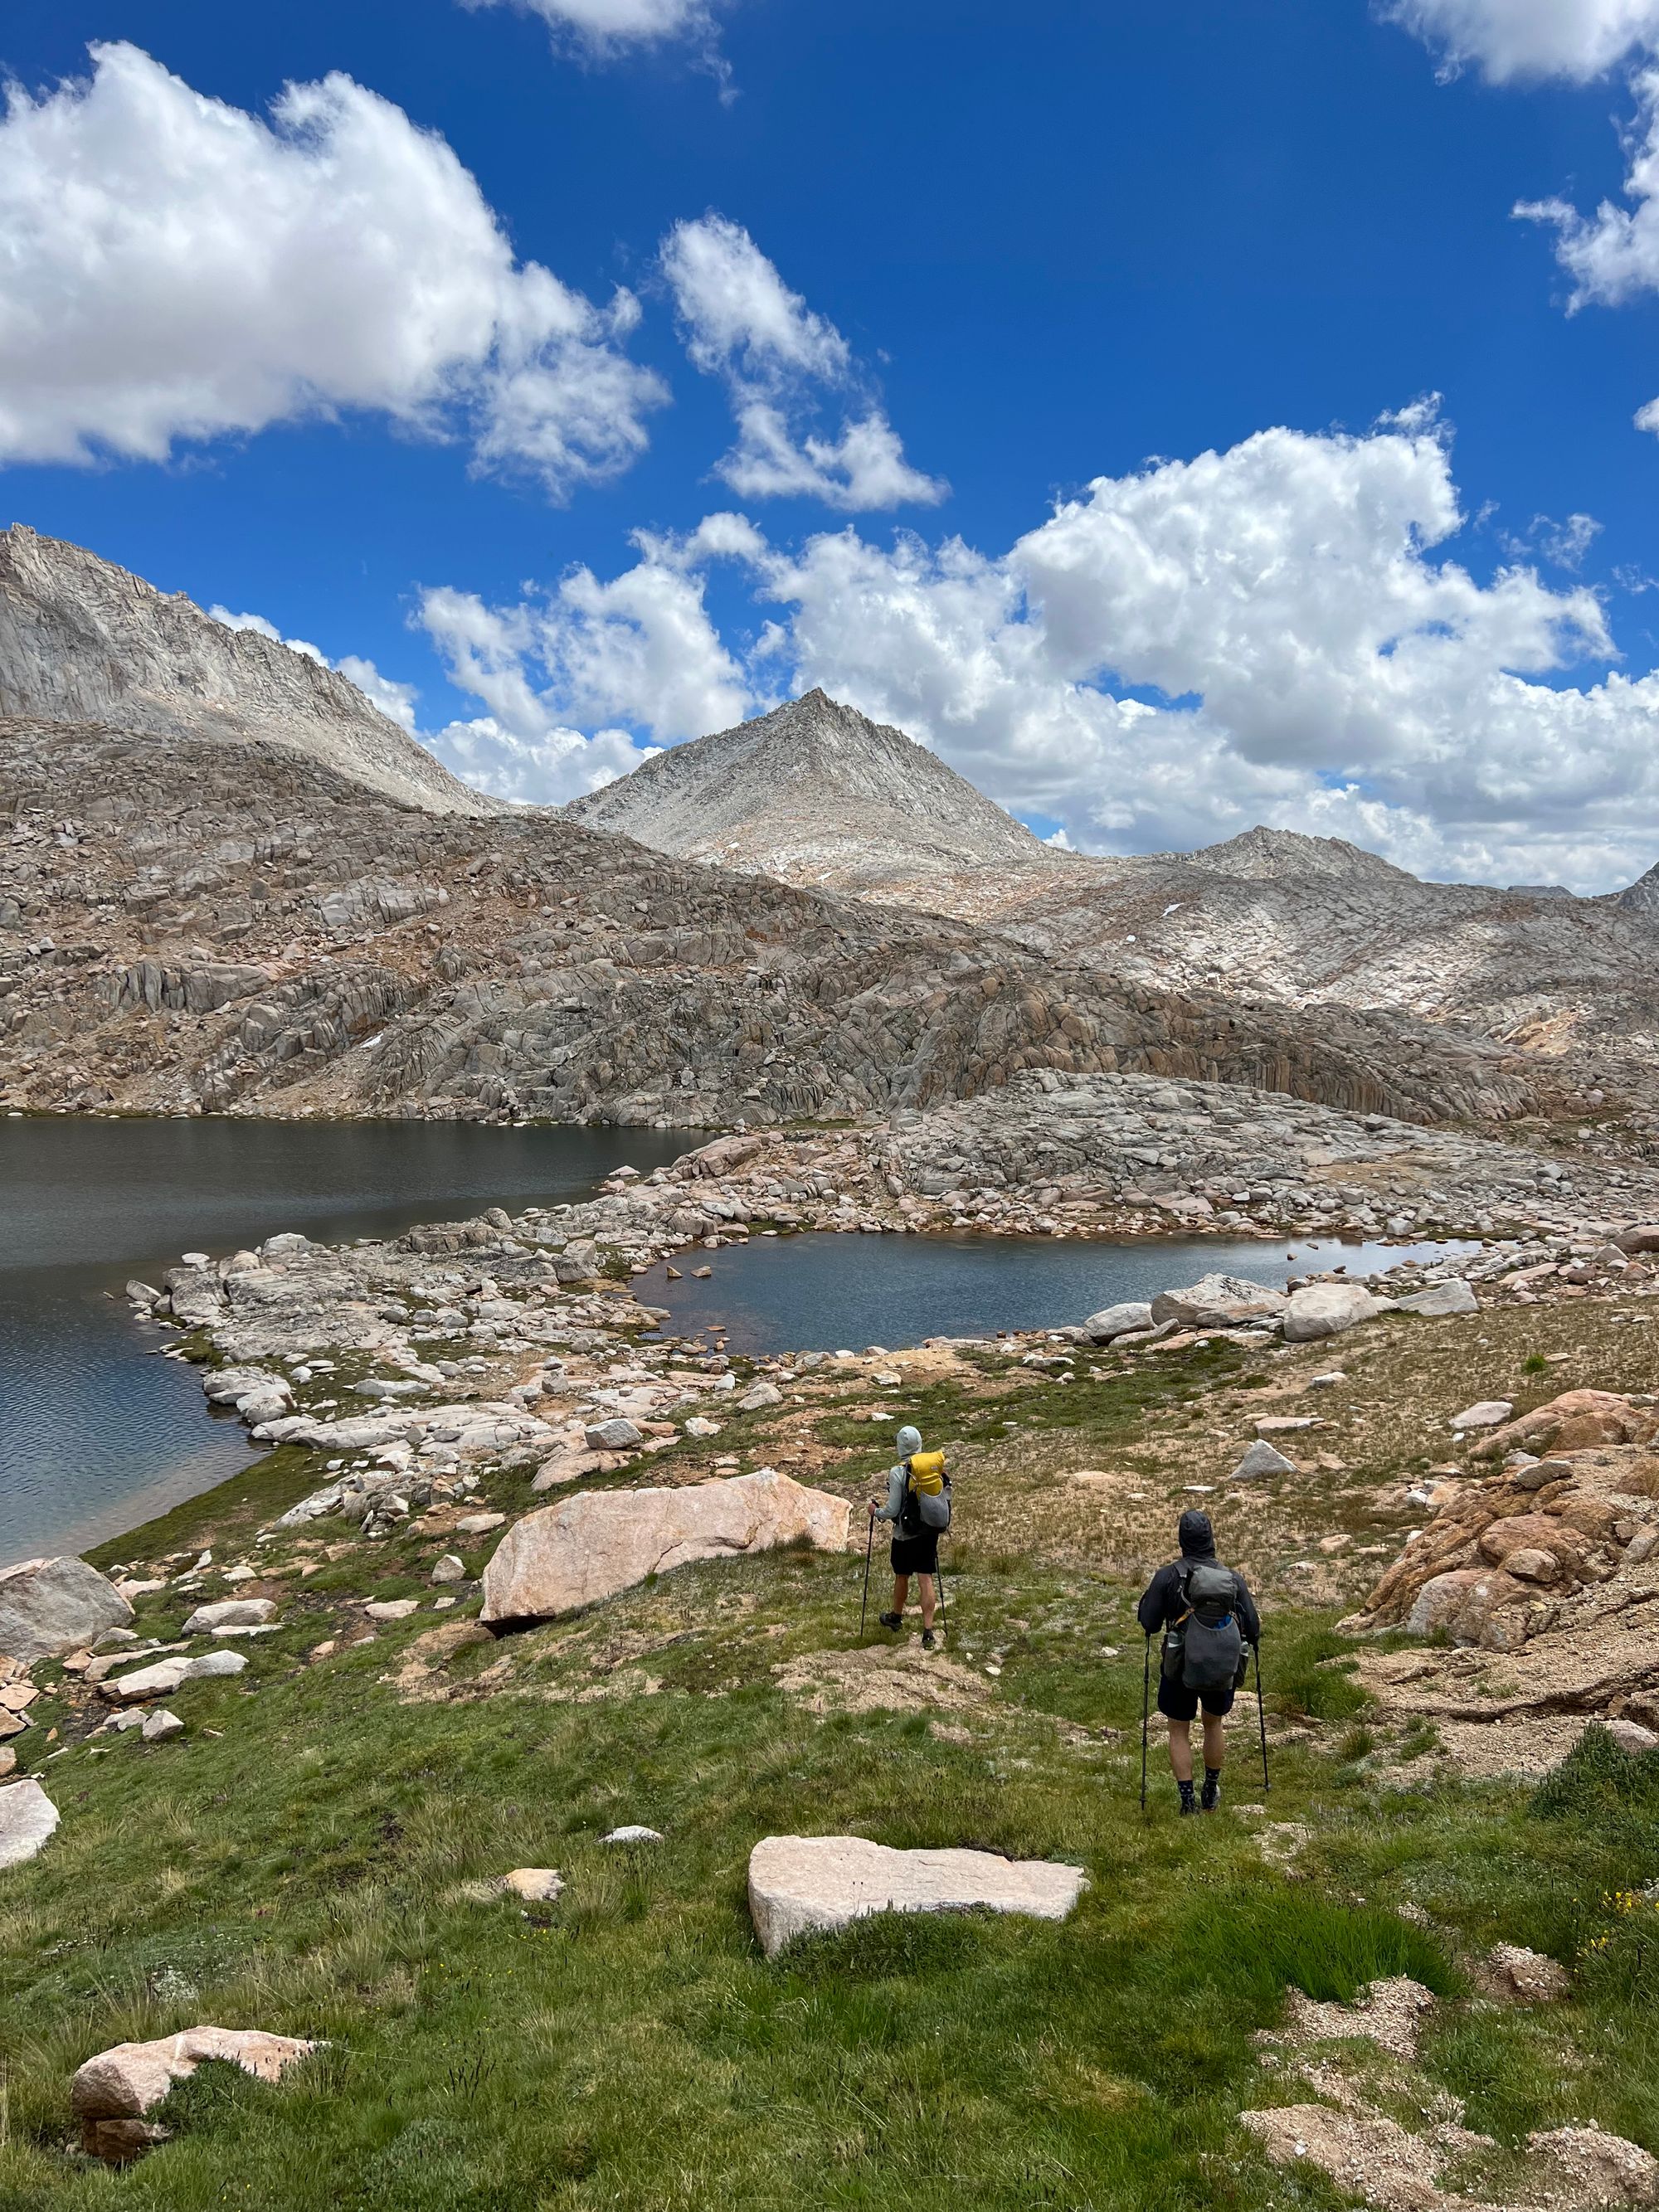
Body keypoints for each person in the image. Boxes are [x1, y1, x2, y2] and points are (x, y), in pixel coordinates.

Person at [1136, 1510, 1261, 1815]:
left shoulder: (1167, 1576)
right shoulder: (1231, 1579)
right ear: (1211, 1539)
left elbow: (1150, 1624)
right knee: (1213, 1723)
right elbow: (1254, 1629)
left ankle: (1187, 1801)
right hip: (1221, 1666)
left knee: (1179, 1730)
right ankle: (1211, 1789)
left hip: (1179, 1667)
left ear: (1182, 1540)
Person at [870, 1423, 943, 1649]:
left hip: (905, 1533)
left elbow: (892, 1510)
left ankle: (896, 1616)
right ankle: (928, 1631)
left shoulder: (897, 1472)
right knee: (926, 1577)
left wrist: (876, 1512)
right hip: (929, 1531)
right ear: (920, 1444)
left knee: (902, 1575)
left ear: (900, 1446)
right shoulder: (932, 1467)